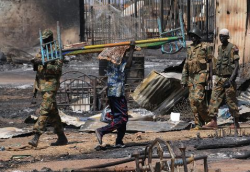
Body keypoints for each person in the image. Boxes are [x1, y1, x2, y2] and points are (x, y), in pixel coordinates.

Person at [28, 29, 68, 147]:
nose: (44, 42)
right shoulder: (42, 50)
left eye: (46, 40)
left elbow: (57, 69)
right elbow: (37, 65)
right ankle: (61, 137)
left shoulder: (56, 51)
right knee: (52, 112)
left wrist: (45, 63)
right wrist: (36, 63)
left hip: (51, 85)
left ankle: (36, 135)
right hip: (42, 85)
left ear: (50, 39)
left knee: (45, 109)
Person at [95, 41, 135, 148]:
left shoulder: (112, 61)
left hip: (114, 93)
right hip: (117, 93)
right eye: (124, 52)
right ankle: (101, 131)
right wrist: (131, 50)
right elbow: (129, 65)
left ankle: (119, 141)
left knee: (121, 117)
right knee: (122, 119)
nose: (125, 54)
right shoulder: (118, 61)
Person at [203, 28, 240, 129]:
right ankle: (213, 121)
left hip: (228, 79)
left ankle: (236, 122)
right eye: (220, 36)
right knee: (214, 99)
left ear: (227, 37)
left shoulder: (232, 48)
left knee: (231, 101)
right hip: (219, 79)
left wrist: (231, 80)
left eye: (223, 36)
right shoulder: (219, 48)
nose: (221, 38)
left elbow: (237, 66)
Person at [181, 28, 213, 130]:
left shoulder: (205, 47)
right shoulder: (189, 48)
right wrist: (183, 79)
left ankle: (209, 119)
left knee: (198, 99)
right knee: (192, 101)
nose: (193, 38)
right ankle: (198, 123)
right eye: (191, 36)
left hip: (201, 76)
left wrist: (211, 77)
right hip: (191, 77)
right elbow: (186, 65)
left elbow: (211, 62)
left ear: (198, 36)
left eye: (194, 36)